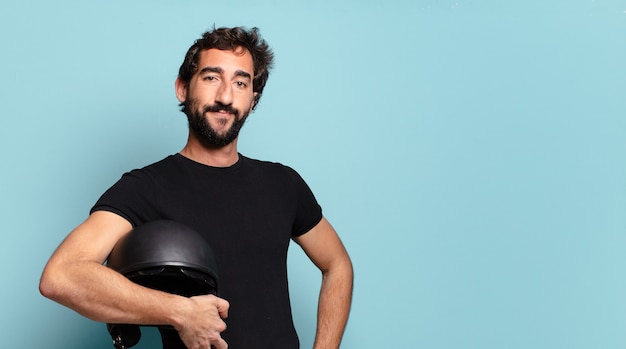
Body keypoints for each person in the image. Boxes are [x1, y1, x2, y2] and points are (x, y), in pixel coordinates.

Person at [39, 26, 353, 349]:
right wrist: (180, 313)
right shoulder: (147, 187)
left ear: (253, 99)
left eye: (240, 83)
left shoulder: (283, 184)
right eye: (211, 78)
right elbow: (62, 275)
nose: (226, 97)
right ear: (182, 88)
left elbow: (337, 264)